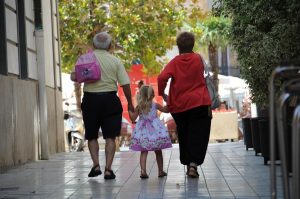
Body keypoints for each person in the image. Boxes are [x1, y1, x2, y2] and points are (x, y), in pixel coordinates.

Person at [71, 32, 134, 179]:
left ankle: (96, 165)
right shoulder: (115, 61)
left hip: (90, 101)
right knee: (110, 137)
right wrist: (130, 103)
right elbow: (125, 84)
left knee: (91, 135)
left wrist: (79, 96)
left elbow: (76, 78)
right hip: (110, 100)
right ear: (110, 46)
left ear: (93, 45)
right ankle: (108, 169)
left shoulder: (84, 59)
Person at [157, 31, 212, 178]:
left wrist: (162, 93)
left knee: (184, 133)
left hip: (180, 105)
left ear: (178, 46)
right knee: (199, 133)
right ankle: (193, 164)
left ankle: (188, 163)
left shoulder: (175, 62)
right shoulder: (198, 59)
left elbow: (162, 77)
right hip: (200, 102)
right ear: (192, 45)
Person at [129, 85, 172, 179]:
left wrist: (130, 111)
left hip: (143, 131)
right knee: (158, 151)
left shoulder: (139, 106)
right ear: (151, 95)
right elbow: (166, 110)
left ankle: (143, 171)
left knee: (144, 152)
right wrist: (168, 101)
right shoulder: (155, 105)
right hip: (155, 131)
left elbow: (133, 118)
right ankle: (160, 171)